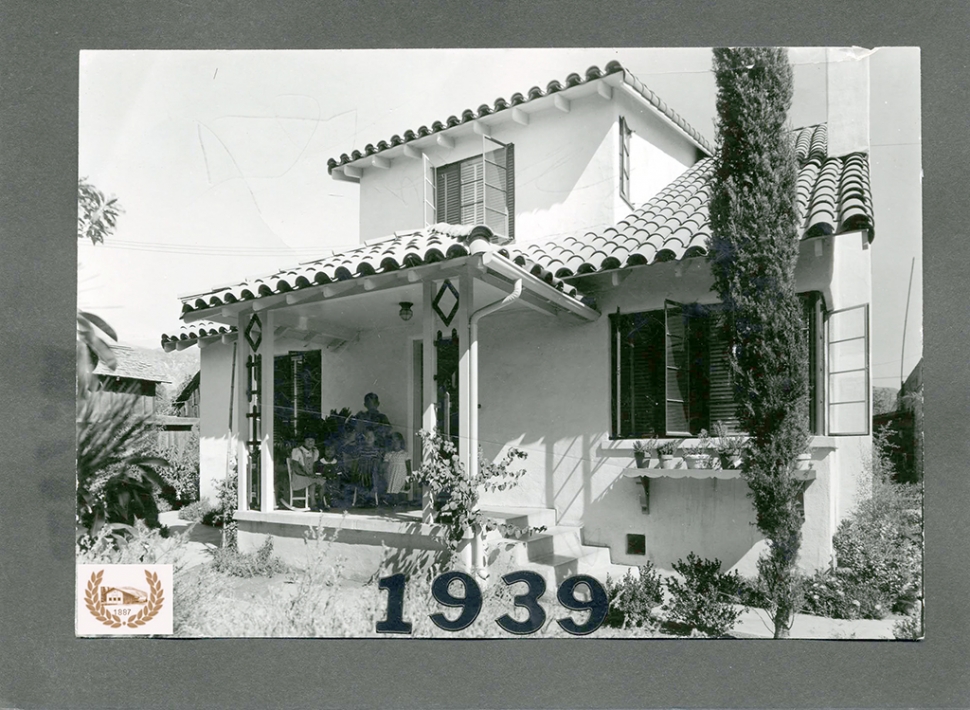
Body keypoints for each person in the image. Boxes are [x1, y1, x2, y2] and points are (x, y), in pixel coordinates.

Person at [289, 436, 323, 509]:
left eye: (312, 440)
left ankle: (321, 502)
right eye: (308, 440)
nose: (310, 443)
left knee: (322, 481)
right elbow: (296, 467)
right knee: (312, 482)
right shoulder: (297, 451)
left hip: (309, 475)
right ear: (303, 441)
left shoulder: (315, 451)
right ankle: (313, 503)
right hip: (299, 476)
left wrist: (315, 474)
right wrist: (307, 475)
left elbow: (315, 466)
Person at [356, 427, 383, 506]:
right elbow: (358, 461)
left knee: (373, 481)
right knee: (362, 481)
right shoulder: (361, 450)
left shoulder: (376, 450)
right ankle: (363, 499)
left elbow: (379, 462)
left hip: (372, 471)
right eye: (367, 436)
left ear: (375, 438)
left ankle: (371, 499)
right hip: (363, 470)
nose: (369, 438)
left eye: (371, 436)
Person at [383, 432, 409, 506]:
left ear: (401, 442)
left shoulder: (405, 454)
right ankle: (392, 503)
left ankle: (400, 503)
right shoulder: (389, 454)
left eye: (397, 441)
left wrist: (408, 477)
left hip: (401, 475)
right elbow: (385, 465)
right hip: (392, 474)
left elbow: (408, 467)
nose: (395, 443)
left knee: (400, 489)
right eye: (393, 441)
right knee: (392, 489)